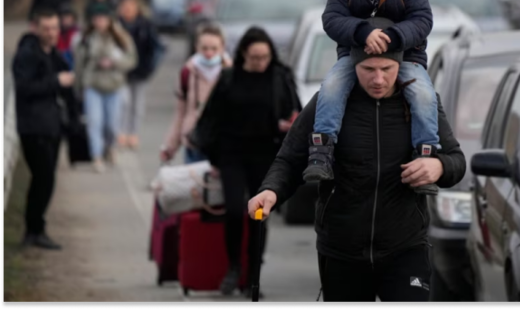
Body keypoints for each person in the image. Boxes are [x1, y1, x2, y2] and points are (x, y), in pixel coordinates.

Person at [248, 22, 467, 302]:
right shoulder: (327, 104)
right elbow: (290, 158)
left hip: (405, 247)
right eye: (368, 70)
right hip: (342, 249)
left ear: (400, 66)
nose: (378, 79)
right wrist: (271, 191)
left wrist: (438, 166)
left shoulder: (422, 105)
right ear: (353, 67)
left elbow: (456, 161)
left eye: (386, 70)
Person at [305, 0, 440, 197]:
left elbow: (422, 19)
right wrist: (361, 31)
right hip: (354, 57)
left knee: (423, 94)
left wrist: (393, 37)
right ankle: (322, 150)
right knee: (331, 86)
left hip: (407, 56)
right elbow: (331, 19)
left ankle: (426, 153)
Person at [193, 27, 301, 297]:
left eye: (264, 57)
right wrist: (212, 154)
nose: (260, 62)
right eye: (254, 57)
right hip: (231, 154)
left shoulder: (280, 77)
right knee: (232, 211)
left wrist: (289, 124)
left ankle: (254, 274)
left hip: (266, 154)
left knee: (259, 215)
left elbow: (296, 112)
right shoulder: (229, 78)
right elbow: (210, 119)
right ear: (242, 54)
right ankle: (233, 267)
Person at [13, 11, 79, 250]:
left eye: (55, 28)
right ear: (35, 28)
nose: (51, 33)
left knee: (45, 179)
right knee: (43, 178)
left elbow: (68, 87)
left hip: (52, 126)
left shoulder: (57, 56)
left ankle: (36, 228)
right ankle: (33, 229)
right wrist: (56, 81)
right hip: (32, 127)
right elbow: (24, 88)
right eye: (46, 28)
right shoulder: (27, 55)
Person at [73, 4, 137, 173]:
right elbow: (79, 65)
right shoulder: (86, 39)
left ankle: (111, 147)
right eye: (97, 19)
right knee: (95, 122)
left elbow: (131, 59)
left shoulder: (120, 38)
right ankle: (97, 156)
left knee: (112, 123)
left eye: (103, 19)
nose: (100, 22)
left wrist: (114, 62)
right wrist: (78, 87)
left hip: (114, 85)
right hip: (92, 84)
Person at [161, 24, 232, 164]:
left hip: (221, 143)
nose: (209, 53)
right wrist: (170, 147)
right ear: (196, 47)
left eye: (214, 49)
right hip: (194, 141)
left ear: (222, 47)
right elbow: (180, 113)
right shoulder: (188, 72)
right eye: (204, 48)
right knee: (192, 184)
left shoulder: (231, 73)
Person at [116, 0, 161, 149]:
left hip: (141, 72)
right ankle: (121, 131)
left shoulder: (145, 25)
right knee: (124, 102)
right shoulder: (116, 26)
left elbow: (156, 49)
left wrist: (150, 67)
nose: (128, 10)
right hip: (122, 72)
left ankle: (133, 133)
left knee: (137, 104)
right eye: (125, 6)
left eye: (131, 6)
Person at [57, 5, 81, 70]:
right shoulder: (56, 32)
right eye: (63, 18)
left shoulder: (77, 33)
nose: (65, 20)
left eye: (68, 18)